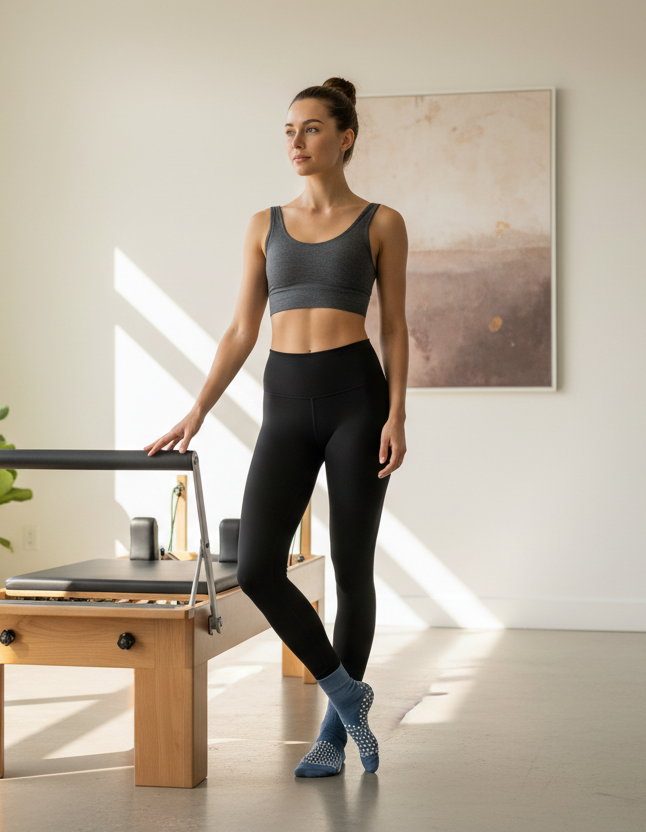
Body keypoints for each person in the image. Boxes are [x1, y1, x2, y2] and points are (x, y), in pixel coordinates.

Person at [145, 77, 409, 778]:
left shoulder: (382, 222)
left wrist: (398, 415)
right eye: (289, 130)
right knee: (259, 565)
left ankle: (331, 734)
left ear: (345, 137)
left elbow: (397, 329)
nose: (296, 142)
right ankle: (347, 692)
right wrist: (198, 407)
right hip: (286, 399)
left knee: (353, 572)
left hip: (358, 397)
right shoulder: (264, 224)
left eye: (312, 129)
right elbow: (240, 328)